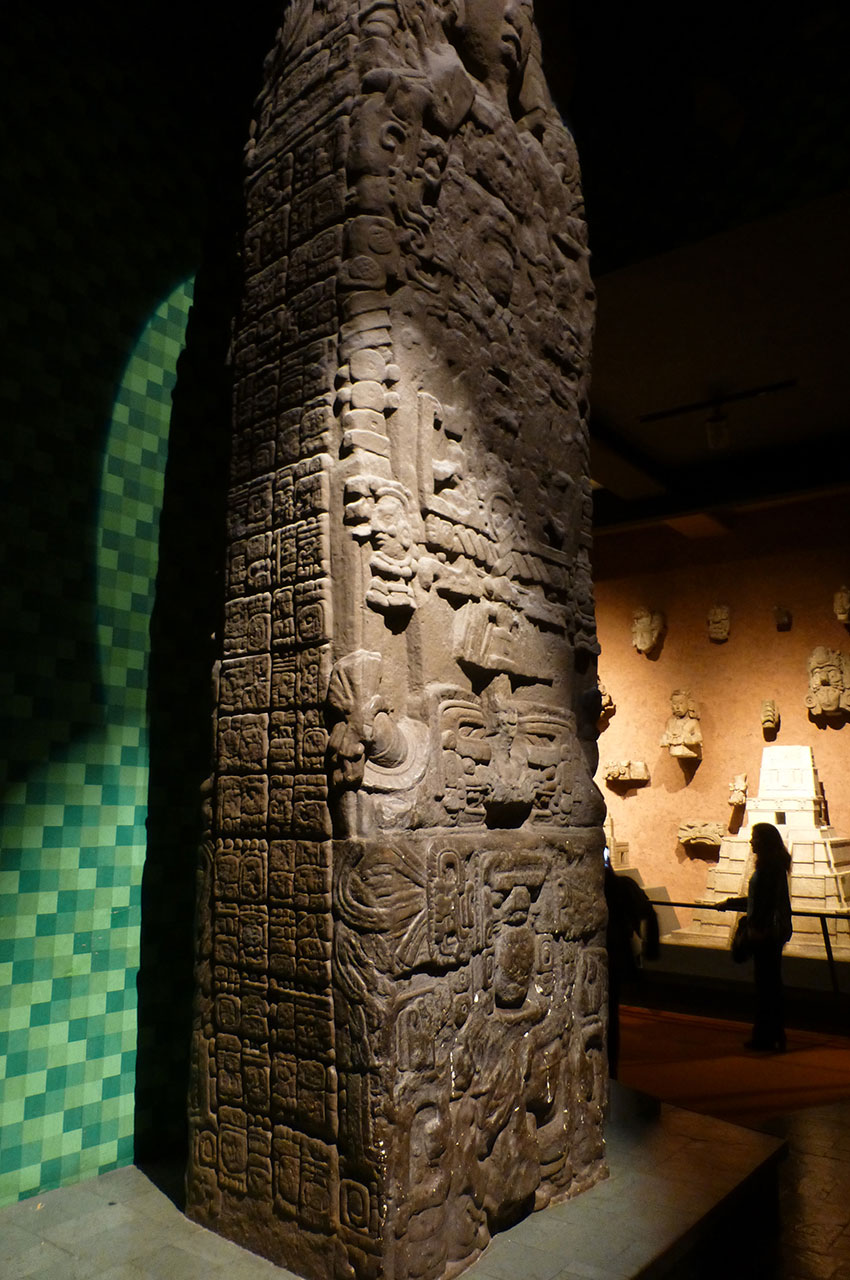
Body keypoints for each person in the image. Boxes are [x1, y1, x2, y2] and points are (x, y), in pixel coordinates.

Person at [720, 823, 793, 1051]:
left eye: (755, 837)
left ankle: (767, 1036)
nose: (751, 842)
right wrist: (730, 903)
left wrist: (756, 929)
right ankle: (772, 1035)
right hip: (770, 932)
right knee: (769, 985)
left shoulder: (770, 869)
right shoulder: (773, 867)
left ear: (764, 841)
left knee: (767, 986)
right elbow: (758, 900)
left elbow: (763, 903)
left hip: (765, 933)